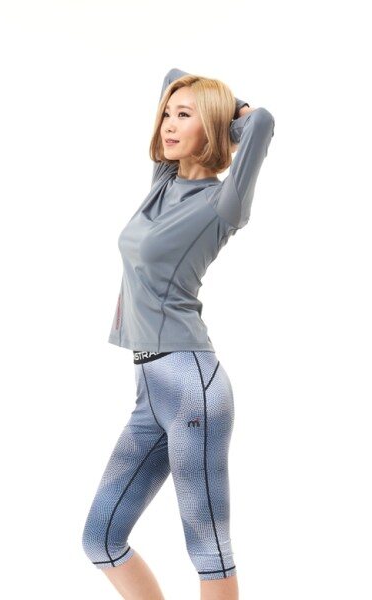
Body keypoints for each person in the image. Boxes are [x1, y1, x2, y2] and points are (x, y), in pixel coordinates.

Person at [81, 67, 275, 600]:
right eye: (167, 113)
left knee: (208, 547)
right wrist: (192, 101)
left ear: (210, 125)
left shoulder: (222, 203)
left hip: (191, 385)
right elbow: (172, 74)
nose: (168, 123)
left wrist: (227, 113)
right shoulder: (164, 183)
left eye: (184, 115)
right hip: (150, 388)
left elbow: (262, 123)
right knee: (101, 537)